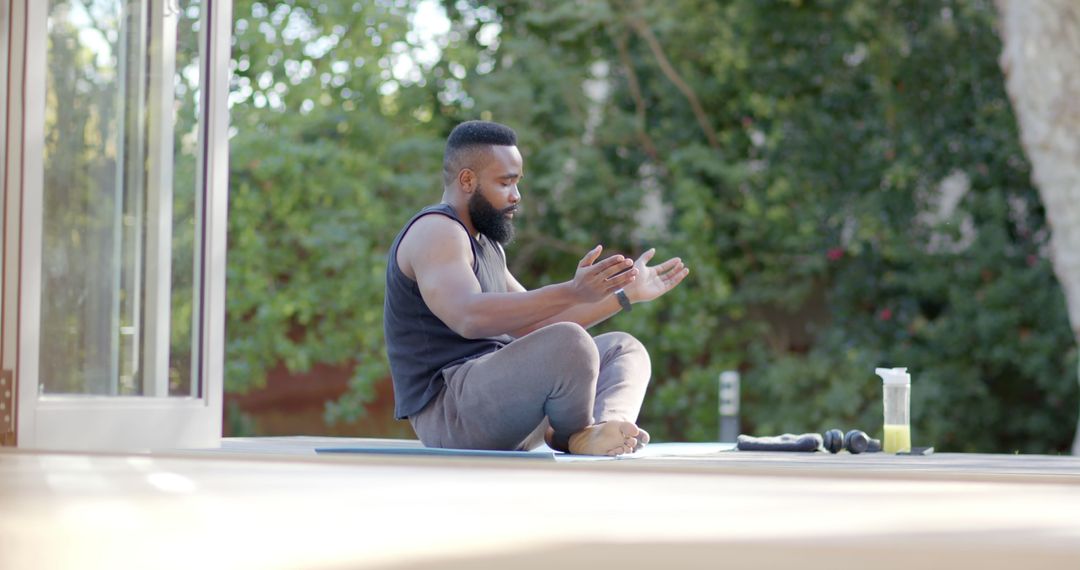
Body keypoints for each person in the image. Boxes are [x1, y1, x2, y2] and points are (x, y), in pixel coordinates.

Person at [384, 120, 689, 456]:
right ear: (467, 180)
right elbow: (468, 316)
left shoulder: (487, 245)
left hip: (507, 406)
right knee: (571, 342)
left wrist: (625, 295)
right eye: (506, 183)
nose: (516, 196)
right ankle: (579, 434)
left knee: (624, 348)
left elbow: (537, 324)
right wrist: (572, 290)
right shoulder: (437, 231)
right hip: (455, 414)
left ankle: (606, 430)